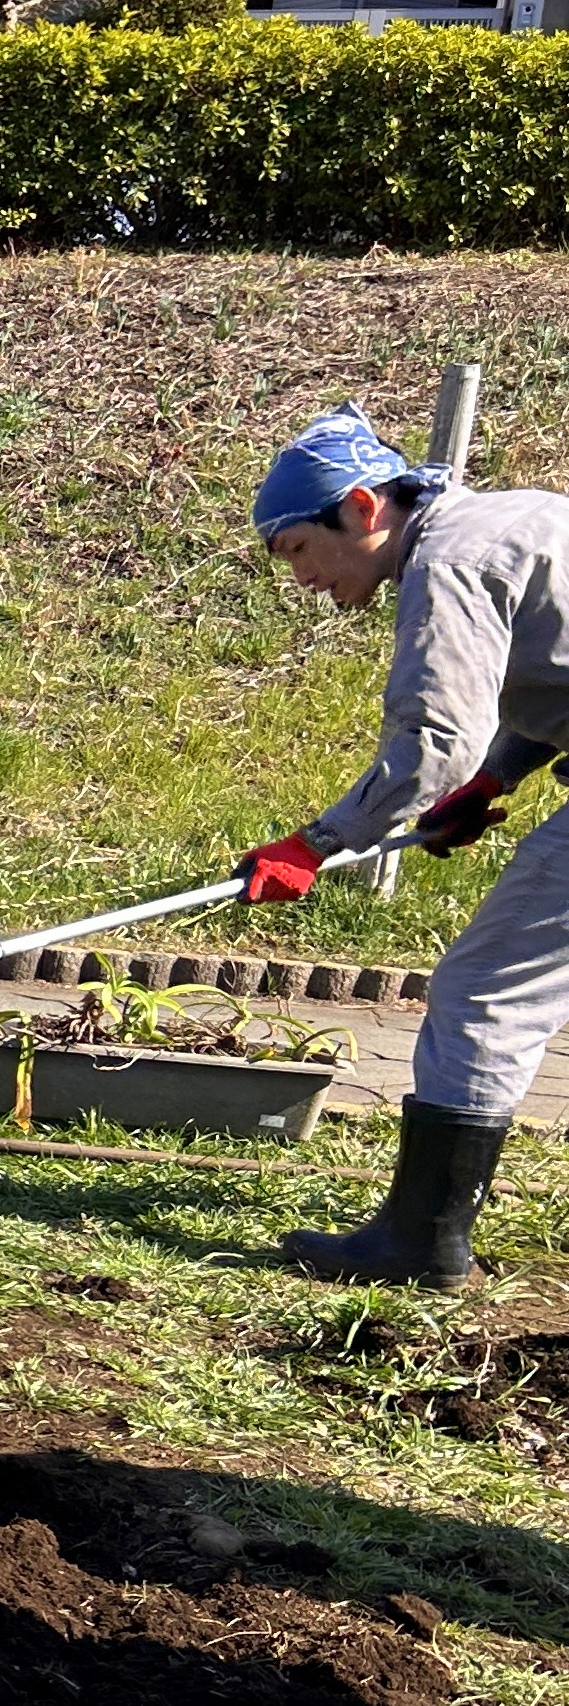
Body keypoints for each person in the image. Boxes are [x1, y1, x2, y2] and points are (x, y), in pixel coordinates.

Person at [236, 403, 569, 1289]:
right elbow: (553, 676)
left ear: (362, 507)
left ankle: (419, 1242)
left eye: (299, 549)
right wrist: (494, 782)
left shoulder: (450, 562)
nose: (301, 578)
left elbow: (432, 738)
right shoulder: (522, 519)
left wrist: (315, 842)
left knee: (483, 992)